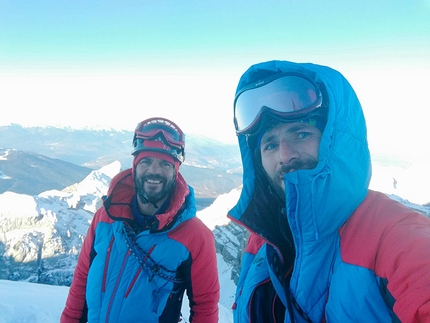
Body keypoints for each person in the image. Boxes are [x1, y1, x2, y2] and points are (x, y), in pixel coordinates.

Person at [228, 60, 430, 322]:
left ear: (335, 140)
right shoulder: (262, 238)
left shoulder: (394, 236)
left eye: (301, 134)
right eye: (270, 145)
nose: (285, 155)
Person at [61, 117, 220, 323]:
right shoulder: (105, 218)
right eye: (146, 161)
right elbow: (81, 280)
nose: (154, 170)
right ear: (135, 166)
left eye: (165, 163)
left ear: (176, 171)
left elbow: (205, 305)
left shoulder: (195, 236)